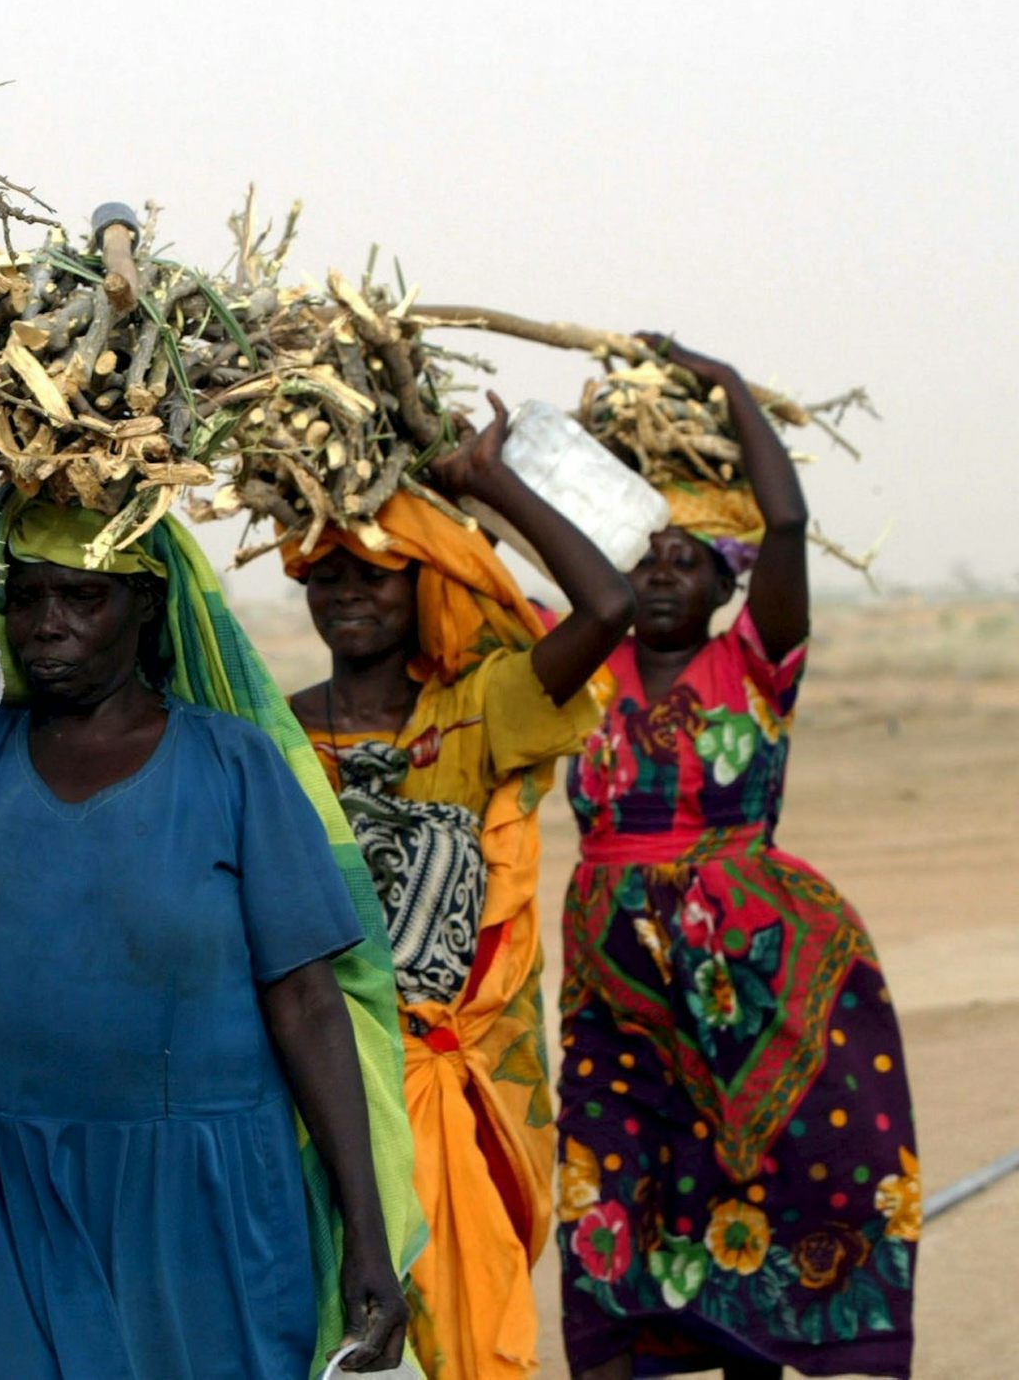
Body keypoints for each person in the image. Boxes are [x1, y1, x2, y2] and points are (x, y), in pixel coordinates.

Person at [0, 494, 427, 1379]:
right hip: (15, 1182)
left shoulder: (230, 765)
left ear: (146, 605)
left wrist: (366, 1238)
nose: (47, 627)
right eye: (27, 598)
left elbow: (307, 1001)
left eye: (83, 597)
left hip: (206, 1191)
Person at [554, 337, 918, 1380]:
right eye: (643, 556)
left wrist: (724, 385)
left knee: (762, 1187)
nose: (662, 573)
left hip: (751, 975)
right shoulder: (582, 666)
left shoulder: (754, 663)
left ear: (726, 581)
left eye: (688, 559)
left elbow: (789, 520)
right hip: (618, 979)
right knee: (615, 1194)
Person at [284, 396, 636, 1380]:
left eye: (379, 577)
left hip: (450, 1095)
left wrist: (487, 484)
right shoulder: (273, 734)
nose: (350, 596)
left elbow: (607, 610)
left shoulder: (484, 713)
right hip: (314, 1102)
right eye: (329, 576)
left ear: (424, 588)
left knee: (466, 1346)